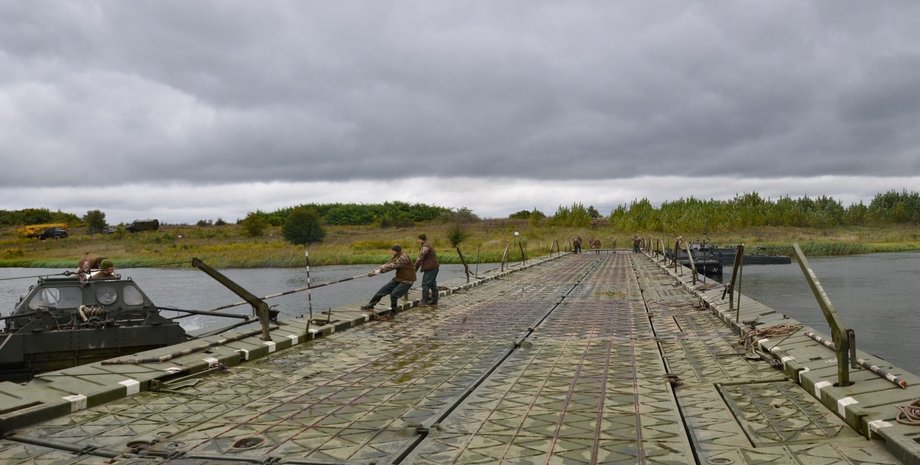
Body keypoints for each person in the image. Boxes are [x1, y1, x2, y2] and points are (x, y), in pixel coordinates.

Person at [361, 245, 416, 320]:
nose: (391, 252)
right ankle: (370, 305)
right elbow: (388, 263)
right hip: (398, 279)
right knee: (382, 291)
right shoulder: (397, 256)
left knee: (394, 295)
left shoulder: (403, 258)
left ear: (395, 251)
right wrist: (375, 271)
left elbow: (392, 266)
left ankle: (393, 312)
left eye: (392, 251)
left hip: (407, 281)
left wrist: (380, 271)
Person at [415, 234, 439, 307]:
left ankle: (425, 301)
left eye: (418, 239)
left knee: (425, 284)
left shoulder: (425, 246)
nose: (417, 240)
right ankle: (434, 300)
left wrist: (414, 269)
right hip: (434, 267)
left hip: (430, 268)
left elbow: (420, 258)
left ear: (421, 239)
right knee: (432, 284)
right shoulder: (428, 245)